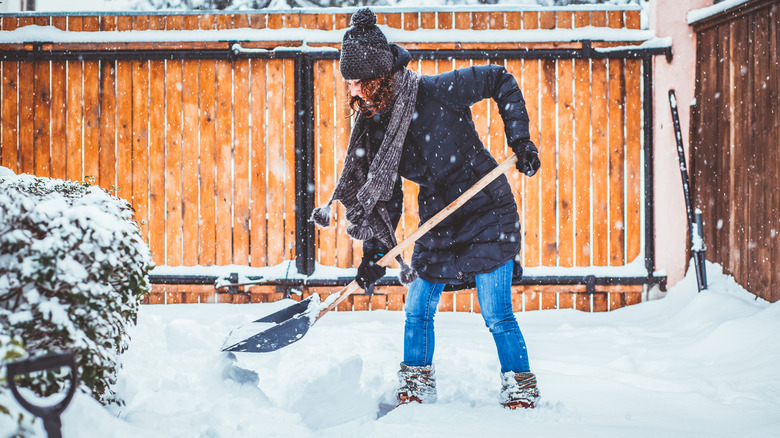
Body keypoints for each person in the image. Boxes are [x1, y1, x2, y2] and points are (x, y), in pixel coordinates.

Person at [311, 8, 542, 410]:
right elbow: (386, 196)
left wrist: (520, 141)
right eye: (352, 83)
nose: (356, 91)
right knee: (417, 306)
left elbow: (498, 78)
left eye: (362, 82)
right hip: (438, 218)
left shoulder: (435, 91)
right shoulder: (377, 127)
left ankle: (520, 390)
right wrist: (375, 254)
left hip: (486, 209)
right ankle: (416, 385)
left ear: (382, 77)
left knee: (495, 311)